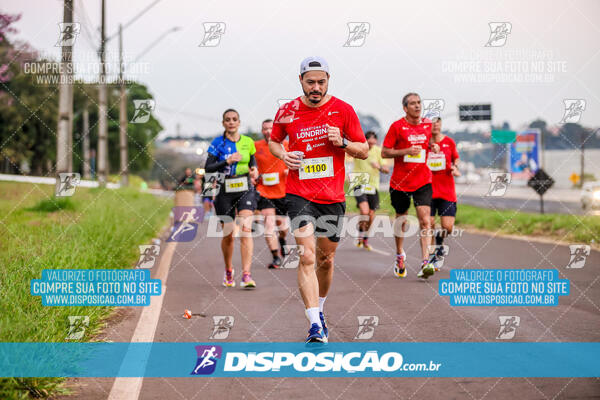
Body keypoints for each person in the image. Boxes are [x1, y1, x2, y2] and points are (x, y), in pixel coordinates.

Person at [269, 56, 368, 343]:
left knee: (326, 259)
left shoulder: (343, 110)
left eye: (321, 82)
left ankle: (320, 308)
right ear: (300, 80)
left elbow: (363, 149)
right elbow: (275, 140)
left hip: (332, 196)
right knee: (307, 255)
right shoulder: (286, 111)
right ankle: (314, 324)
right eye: (310, 82)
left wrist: (344, 143)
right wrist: (282, 154)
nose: (316, 87)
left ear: (328, 81)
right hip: (299, 193)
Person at [381, 92, 440, 280]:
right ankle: (399, 254)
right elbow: (384, 152)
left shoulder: (427, 125)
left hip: (423, 180)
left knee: (425, 220)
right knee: (401, 221)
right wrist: (406, 150)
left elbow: (429, 141)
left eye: (419, 103)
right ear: (405, 108)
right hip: (400, 182)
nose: (417, 106)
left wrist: (433, 146)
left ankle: (425, 262)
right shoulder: (397, 127)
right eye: (412, 104)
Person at [205, 109, 259, 288]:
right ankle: (229, 270)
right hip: (224, 189)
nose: (231, 122)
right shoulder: (217, 143)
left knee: (245, 228)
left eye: (234, 119)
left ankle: (246, 274)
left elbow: (252, 162)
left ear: (239, 122)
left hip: (245, 187)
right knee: (228, 234)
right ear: (223, 123)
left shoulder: (248, 142)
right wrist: (226, 162)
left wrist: (254, 170)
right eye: (227, 120)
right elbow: (208, 168)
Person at [254, 119, 290, 268]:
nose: (268, 131)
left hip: (283, 191)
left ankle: (282, 241)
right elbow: (250, 162)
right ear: (262, 131)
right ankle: (276, 257)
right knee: (269, 224)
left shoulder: (286, 145)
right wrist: (254, 171)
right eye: (265, 129)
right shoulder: (256, 147)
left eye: (270, 128)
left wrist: (290, 170)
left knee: (282, 228)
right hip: (264, 191)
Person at [428, 117, 460, 268]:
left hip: (447, 191)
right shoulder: (425, 143)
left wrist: (454, 167)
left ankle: (440, 241)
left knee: (447, 227)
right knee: (429, 224)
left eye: (437, 123)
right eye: (432, 123)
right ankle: (433, 256)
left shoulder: (449, 142)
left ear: (440, 125)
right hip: (427, 190)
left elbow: (456, 158)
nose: (435, 126)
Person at [351, 131, 390, 250]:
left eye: (374, 140)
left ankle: (364, 238)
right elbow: (349, 152)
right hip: (359, 183)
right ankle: (360, 233)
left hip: (373, 186)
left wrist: (379, 167)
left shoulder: (378, 151)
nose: (371, 143)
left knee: (371, 215)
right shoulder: (359, 148)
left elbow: (386, 169)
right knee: (364, 211)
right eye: (369, 140)